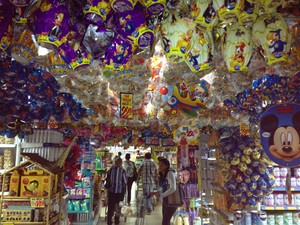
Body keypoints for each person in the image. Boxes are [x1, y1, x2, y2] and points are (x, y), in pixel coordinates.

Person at [152, 158, 177, 225]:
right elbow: (162, 188)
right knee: (166, 220)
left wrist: (162, 195)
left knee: (165, 221)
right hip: (166, 201)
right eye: (159, 165)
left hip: (172, 201)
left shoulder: (170, 173)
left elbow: (173, 188)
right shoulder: (162, 175)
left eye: (162, 165)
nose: (160, 167)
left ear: (166, 166)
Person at [106, 157, 127, 225]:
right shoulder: (123, 171)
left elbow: (107, 179)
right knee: (118, 206)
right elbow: (125, 182)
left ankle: (109, 221)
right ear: (121, 163)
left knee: (111, 206)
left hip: (112, 192)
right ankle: (116, 221)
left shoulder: (111, 170)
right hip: (120, 192)